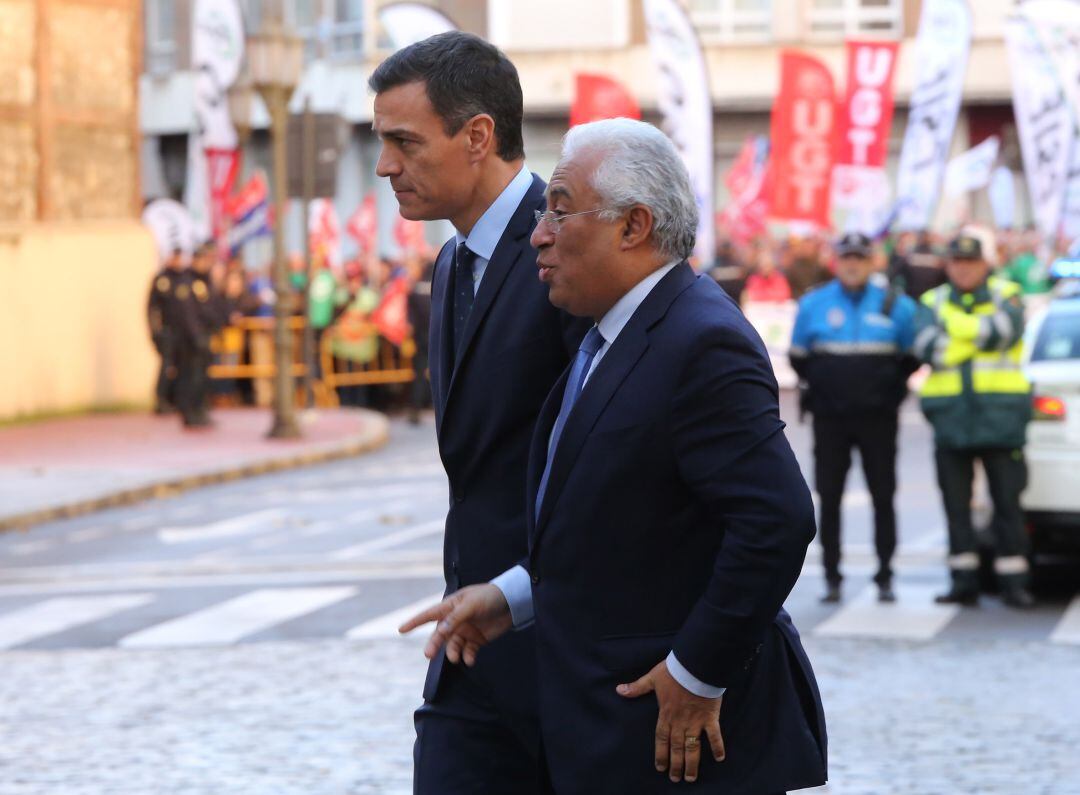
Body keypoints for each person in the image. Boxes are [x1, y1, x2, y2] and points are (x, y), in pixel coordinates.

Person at [402, 119, 826, 794]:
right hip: (601, 735)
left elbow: (776, 520)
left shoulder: (700, 341)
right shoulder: (607, 336)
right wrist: (511, 597)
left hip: (675, 743)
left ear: (633, 226)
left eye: (561, 209)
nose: (539, 232)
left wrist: (697, 669)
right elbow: (613, 527)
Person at [369, 31, 589, 793]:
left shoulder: (568, 252)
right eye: (382, 142)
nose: (385, 165)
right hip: (471, 661)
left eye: (404, 141)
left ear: (477, 136)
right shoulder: (451, 260)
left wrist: (522, 592)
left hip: (566, 658)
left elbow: (611, 457)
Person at [790, 232, 920, 604]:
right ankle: (832, 576)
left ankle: (885, 575)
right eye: (846, 257)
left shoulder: (897, 305)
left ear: (872, 262)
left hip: (878, 420)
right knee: (828, 499)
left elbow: (909, 358)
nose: (852, 264)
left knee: (883, 496)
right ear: (836, 261)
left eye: (860, 258)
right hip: (831, 419)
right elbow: (800, 357)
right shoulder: (814, 304)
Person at [913, 233, 1036, 609]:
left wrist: (956, 331)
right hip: (952, 421)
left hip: (1000, 420)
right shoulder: (931, 301)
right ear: (949, 266)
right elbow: (925, 348)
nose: (964, 269)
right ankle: (962, 582)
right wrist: (978, 334)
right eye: (957, 262)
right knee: (956, 508)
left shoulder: (1007, 293)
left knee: (1007, 507)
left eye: (971, 262)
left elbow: (1006, 331)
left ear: (984, 264)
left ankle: (1013, 583)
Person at [147, 248, 186, 414]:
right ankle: (161, 399)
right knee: (166, 366)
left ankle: (174, 399)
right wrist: (156, 331)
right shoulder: (162, 279)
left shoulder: (183, 278)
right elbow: (153, 308)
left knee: (178, 366)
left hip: (181, 331)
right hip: (166, 331)